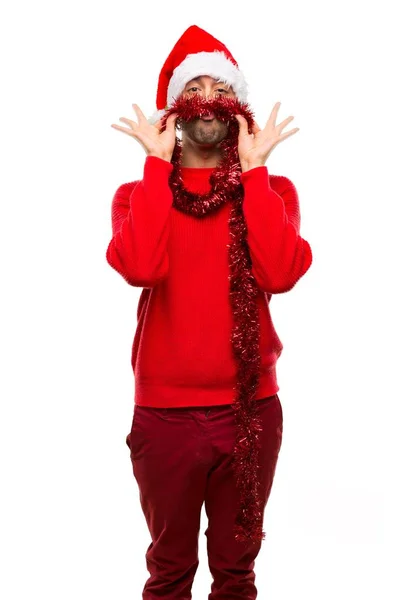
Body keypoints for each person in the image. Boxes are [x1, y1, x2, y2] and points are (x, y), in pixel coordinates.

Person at [107, 24, 312, 600]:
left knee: (237, 573)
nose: (207, 96)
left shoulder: (272, 191)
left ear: (237, 110)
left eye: (221, 87)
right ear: (174, 112)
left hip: (251, 411)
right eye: (193, 86)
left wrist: (254, 174)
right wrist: (155, 165)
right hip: (165, 416)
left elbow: (280, 274)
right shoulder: (136, 193)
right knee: (169, 573)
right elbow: (141, 266)